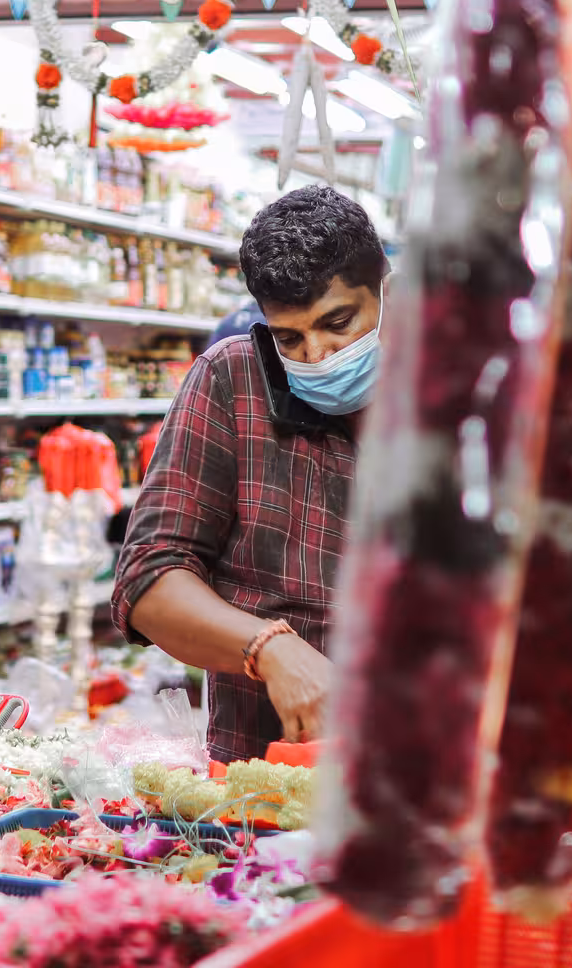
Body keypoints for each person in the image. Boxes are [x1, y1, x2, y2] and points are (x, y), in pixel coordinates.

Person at [112, 185, 386, 763]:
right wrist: (267, 645)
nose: (317, 355)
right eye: (289, 337)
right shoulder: (232, 378)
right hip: (262, 782)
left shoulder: (458, 393)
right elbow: (148, 579)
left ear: (385, 290)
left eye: (339, 322)